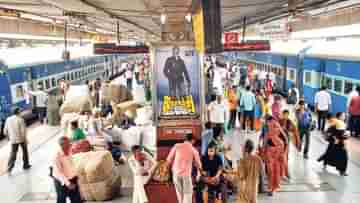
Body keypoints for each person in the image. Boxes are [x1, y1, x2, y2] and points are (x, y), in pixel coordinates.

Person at [166, 133, 202, 203]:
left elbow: (168, 161)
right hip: (186, 176)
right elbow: (199, 165)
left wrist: (167, 176)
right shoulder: (193, 150)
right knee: (188, 195)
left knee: (180, 196)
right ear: (193, 140)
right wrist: (199, 175)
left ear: (185, 139)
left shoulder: (176, 146)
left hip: (175, 175)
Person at [52, 136, 83, 203]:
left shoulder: (69, 151)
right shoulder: (57, 156)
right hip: (61, 182)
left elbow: (72, 165)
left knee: (77, 200)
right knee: (61, 200)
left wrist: (76, 176)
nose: (70, 144)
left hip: (72, 178)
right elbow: (59, 173)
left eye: (69, 143)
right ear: (62, 145)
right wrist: (68, 183)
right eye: (68, 143)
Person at [262, 117, 285, 196]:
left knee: (274, 171)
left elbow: (284, 143)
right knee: (271, 171)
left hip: (275, 155)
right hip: (270, 155)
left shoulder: (279, 138)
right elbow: (264, 144)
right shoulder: (268, 133)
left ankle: (272, 188)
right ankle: (271, 188)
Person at [4, 107, 31, 174]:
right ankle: (26, 165)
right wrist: (25, 140)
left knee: (13, 153)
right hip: (21, 139)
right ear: (18, 112)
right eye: (20, 111)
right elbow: (23, 132)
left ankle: (9, 168)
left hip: (13, 139)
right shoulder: (20, 120)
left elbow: (5, 131)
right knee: (25, 151)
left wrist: (8, 138)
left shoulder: (8, 119)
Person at [279, 110, 301, 179]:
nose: (285, 116)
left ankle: (285, 172)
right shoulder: (279, 121)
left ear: (288, 115)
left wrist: (298, 143)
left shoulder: (290, 122)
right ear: (282, 114)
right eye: (284, 114)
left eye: (286, 115)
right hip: (280, 142)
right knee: (281, 157)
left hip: (286, 142)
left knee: (286, 157)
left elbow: (295, 131)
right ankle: (282, 172)